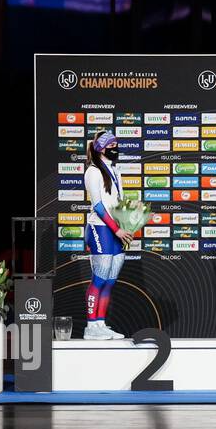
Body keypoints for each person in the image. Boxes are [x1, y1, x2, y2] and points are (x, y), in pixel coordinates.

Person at [83, 131, 131, 340]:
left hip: (114, 229)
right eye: (112, 145)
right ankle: (90, 327)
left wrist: (127, 223)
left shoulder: (115, 170)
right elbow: (99, 207)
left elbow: (117, 203)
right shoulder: (93, 172)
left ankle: (100, 324)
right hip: (100, 228)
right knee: (99, 279)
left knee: (110, 280)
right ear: (102, 148)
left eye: (117, 144)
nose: (116, 148)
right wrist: (117, 229)